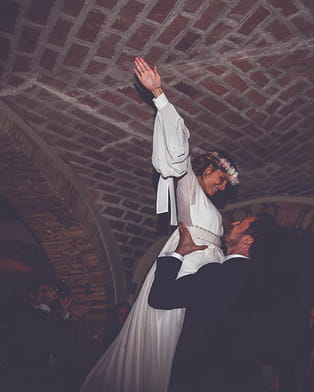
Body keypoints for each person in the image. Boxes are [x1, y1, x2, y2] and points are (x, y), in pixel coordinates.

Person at [80, 57, 239, 392]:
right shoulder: (189, 187)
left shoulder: (211, 207)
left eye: (227, 183)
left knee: (191, 344)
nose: (223, 187)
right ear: (207, 168)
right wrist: (159, 95)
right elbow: (178, 155)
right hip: (188, 265)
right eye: (222, 178)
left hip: (206, 271)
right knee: (163, 336)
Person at [148, 214, 277, 392]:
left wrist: (177, 253)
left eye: (241, 223)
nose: (234, 223)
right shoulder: (264, 283)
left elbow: (160, 297)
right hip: (243, 379)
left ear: (247, 240)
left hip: (201, 379)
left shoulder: (217, 274)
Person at [7, 278, 77, 392]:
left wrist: (65, 312)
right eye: (42, 291)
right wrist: (47, 304)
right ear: (31, 296)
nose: (47, 294)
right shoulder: (24, 315)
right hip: (34, 370)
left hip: (55, 369)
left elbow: (68, 338)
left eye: (48, 291)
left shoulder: (51, 313)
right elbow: (40, 332)